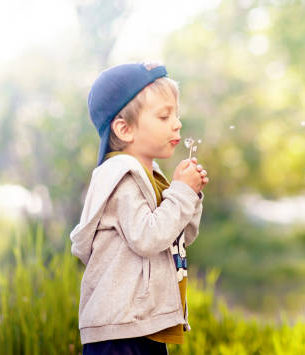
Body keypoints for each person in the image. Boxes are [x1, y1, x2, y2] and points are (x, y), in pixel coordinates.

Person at [69, 62, 208, 354]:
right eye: (164, 116)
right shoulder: (119, 176)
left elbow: (176, 239)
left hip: (144, 322)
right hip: (119, 330)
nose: (177, 123)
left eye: (176, 115)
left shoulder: (153, 176)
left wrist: (190, 196)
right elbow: (148, 239)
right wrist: (181, 192)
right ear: (124, 128)